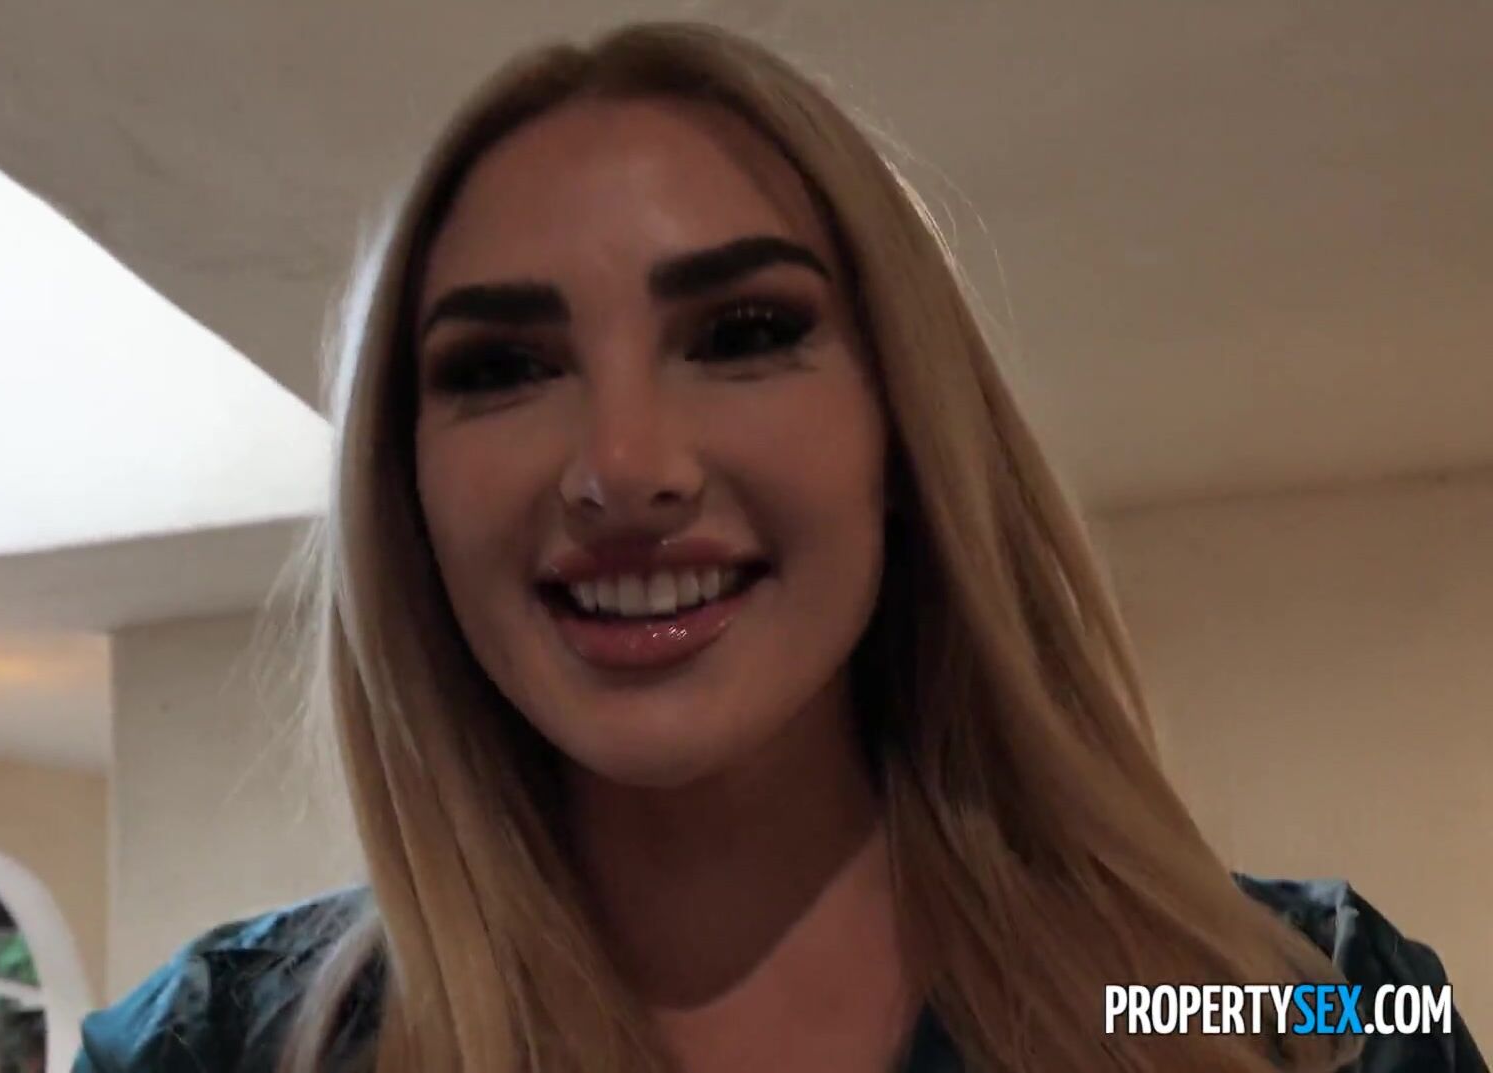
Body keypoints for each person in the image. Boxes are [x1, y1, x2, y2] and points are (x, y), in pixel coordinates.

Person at [74, 20, 1479, 1073]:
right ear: (406, 490)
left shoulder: (1316, 1003)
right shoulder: (209, 1051)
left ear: (905, 430)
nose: (624, 468)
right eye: (502, 366)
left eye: (744, 334)